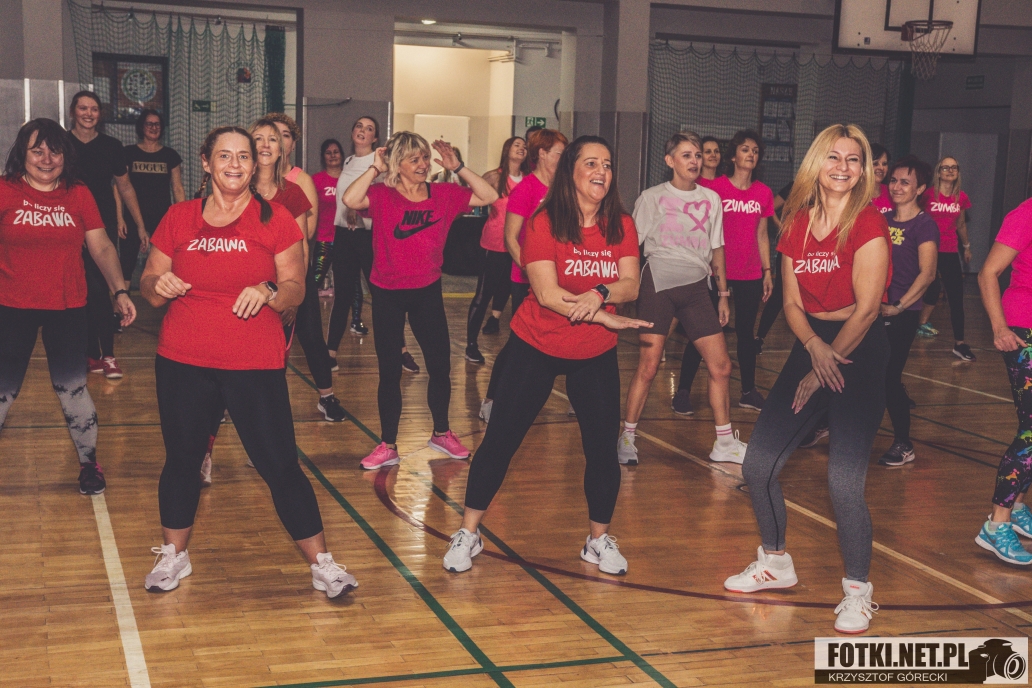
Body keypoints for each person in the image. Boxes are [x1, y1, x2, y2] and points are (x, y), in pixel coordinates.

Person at [139, 125, 357, 598]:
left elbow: (296, 287)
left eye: (243, 156)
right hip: (183, 359)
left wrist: (269, 289)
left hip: (253, 363)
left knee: (279, 464)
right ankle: (174, 555)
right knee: (182, 460)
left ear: (254, 164)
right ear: (206, 162)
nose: (235, 164)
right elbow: (149, 284)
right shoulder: (178, 217)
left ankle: (322, 564)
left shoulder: (276, 219)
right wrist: (160, 285)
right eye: (224, 155)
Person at [442, 136, 649, 575]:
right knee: (500, 441)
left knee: (602, 450)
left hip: (593, 351)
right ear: (570, 170)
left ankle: (597, 541)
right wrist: (601, 314)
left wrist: (600, 293)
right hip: (536, 344)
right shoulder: (544, 222)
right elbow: (547, 293)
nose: (601, 171)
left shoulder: (621, 224)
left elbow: (630, 283)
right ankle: (469, 532)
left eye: (607, 164)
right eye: (591, 163)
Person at [724, 124, 891, 634]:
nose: (843, 167)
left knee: (843, 481)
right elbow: (792, 302)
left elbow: (867, 310)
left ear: (863, 170)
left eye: (854, 159)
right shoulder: (796, 221)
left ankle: (858, 593)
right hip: (812, 344)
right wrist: (815, 350)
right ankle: (775, 563)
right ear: (816, 164)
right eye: (833, 157)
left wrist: (826, 365)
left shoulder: (869, 222)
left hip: (860, 351)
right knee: (758, 466)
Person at [342, 132, 498, 469]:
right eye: (414, 159)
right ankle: (388, 445)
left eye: (425, 157)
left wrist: (458, 167)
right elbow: (351, 200)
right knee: (389, 372)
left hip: (427, 292)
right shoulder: (382, 195)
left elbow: (489, 195)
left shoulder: (443, 194)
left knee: (440, 366)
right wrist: (375, 167)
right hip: (387, 293)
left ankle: (441, 433)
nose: (423, 164)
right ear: (397, 163)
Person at [0, 118, 135, 496]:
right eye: (37, 151)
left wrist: (120, 291)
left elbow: (101, 246)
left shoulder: (78, 193)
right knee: (3, 391)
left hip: (68, 307)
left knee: (72, 389)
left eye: (54, 151)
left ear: (65, 155)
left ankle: (90, 464)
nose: (47, 159)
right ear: (22, 154)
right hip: (11, 306)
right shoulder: (5, 190)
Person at [617, 131, 744, 466]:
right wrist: (625, 289)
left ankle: (724, 443)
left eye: (698, 155)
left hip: (696, 289)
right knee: (648, 366)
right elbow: (631, 247)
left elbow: (717, 249)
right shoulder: (652, 197)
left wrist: (723, 295)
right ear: (670, 161)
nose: (694, 161)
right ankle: (627, 436)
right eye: (687, 155)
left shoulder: (711, 199)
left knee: (721, 366)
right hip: (658, 285)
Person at [251, 119, 344, 422]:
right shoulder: (241, 183)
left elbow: (305, 238)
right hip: (254, 280)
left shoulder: (297, 184)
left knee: (310, 335)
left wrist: (292, 291)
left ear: (287, 144)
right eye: (261, 137)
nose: (268, 143)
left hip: (291, 275)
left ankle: (326, 397)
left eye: (279, 136)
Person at [678, 130, 774, 411]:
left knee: (746, 333)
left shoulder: (763, 192)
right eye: (745, 149)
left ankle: (748, 391)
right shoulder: (715, 189)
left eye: (755, 150)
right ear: (733, 156)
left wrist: (767, 270)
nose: (751, 154)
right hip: (716, 271)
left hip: (750, 273)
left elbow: (762, 235)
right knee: (703, 331)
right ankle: (682, 391)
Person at [479, 129, 568, 423]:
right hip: (526, 281)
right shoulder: (526, 189)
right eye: (559, 153)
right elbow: (510, 238)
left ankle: (576, 397)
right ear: (542, 154)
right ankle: (491, 399)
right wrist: (533, 272)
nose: (564, 159)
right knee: (520, 343)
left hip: (560, 281)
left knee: (566, 338)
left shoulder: (564, 188)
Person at [68, 91, 147, 379]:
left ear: (100, 114)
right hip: (68, 223)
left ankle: (109, 356)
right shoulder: (61, 143)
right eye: (83, 108)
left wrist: (139, 224)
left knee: (101, 289)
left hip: (100, 227)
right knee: (81, 291)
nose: (88, 114)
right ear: (73, 111)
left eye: (94, 109)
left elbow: (125, 187)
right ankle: (90, 355)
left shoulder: (112, 146)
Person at [975, 194, 1032, 565]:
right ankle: (996, 525)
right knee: (1031, 431)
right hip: (1023, 329)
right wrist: (999, 327)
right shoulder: (1026, 214)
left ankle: (1019, 506)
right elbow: (987, 273)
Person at [877, 156, 938, 467]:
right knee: (854, 370)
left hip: (902, 312)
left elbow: (927, 274)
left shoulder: (924, 225)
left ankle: (904, 443)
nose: (896, 186)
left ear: (920, 189)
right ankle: (829, 423)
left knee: (889, 376)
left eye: (905, 182)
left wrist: (898, 306)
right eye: (893, 180)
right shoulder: (882, 219)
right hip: (874, 310)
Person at [465, 136, 529, 364]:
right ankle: (471, 345)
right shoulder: (494, 177)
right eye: (517, 145)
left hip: (520, 245)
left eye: (524, 146)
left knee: (512, 290)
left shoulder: (529, 180)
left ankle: (502, 327)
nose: (522, 148)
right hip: (494, 243)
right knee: (484, 294)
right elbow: (470, 198)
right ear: (507, 149)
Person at [114, 109, 186, 290]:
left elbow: (177, 188)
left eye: (157, 124)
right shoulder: (128, 153)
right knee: (127, 262)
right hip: (132, 216)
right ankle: (122, 302)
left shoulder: (170, 155)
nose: (154, 128)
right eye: (149, 124)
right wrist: (119, 218)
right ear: (142, 127)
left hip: (162, 217)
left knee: (165, 263)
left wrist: (183, 218)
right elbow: (118, 188)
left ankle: (163, 298)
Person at [329, 116, 381, 353]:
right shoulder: (349, 161)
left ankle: (399, 350)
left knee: (380, 295)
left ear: (375, 138)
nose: (362, 130)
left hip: (367, 236)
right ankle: (330, 353)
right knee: (342, 296)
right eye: (359, 126)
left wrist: (357, 209)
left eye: (369, 128)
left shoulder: (379, 161)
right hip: (343, 235)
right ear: (352, 132)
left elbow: (382, 195)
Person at [917, 156, 975, 362]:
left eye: (954, 167)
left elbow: (961, 225)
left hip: (949, 250)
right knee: (930, 288)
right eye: (945, 167)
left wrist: (966, 247)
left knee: (956, 297)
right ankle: (917, 324)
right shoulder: (927, 195)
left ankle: (960, 344)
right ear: (938, 172)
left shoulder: (961, 197)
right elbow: (916, 219)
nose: (950, 171)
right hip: (927, 249)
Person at [312, 139, 345, 295]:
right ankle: (307, 311)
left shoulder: (350, 179)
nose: (332, 155)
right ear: (323, 157)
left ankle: (354, 314)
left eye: (336, 152)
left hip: (346, 240)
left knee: (350, 284)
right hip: (324, 239)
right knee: (314, 281)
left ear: (342, 155)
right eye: (328, 153)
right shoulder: (316, 180)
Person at [870, 143, 892, 212]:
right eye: (875, 164)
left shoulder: (892, 192)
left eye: (884, 164)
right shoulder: (856, 195)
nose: (881, 168)